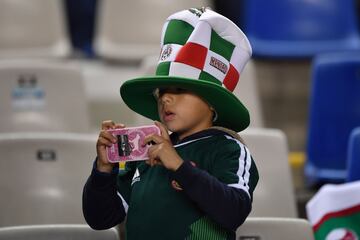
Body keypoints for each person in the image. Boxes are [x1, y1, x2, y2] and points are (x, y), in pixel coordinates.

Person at [83, 7, 259, 240]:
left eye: (179, 89)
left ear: (213, 103)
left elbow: (234, 211)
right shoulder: (143, 151)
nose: (166, 98)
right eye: (162, 91)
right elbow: (101, 219)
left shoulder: (228, 149)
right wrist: (103, 171)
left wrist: (179, 166)